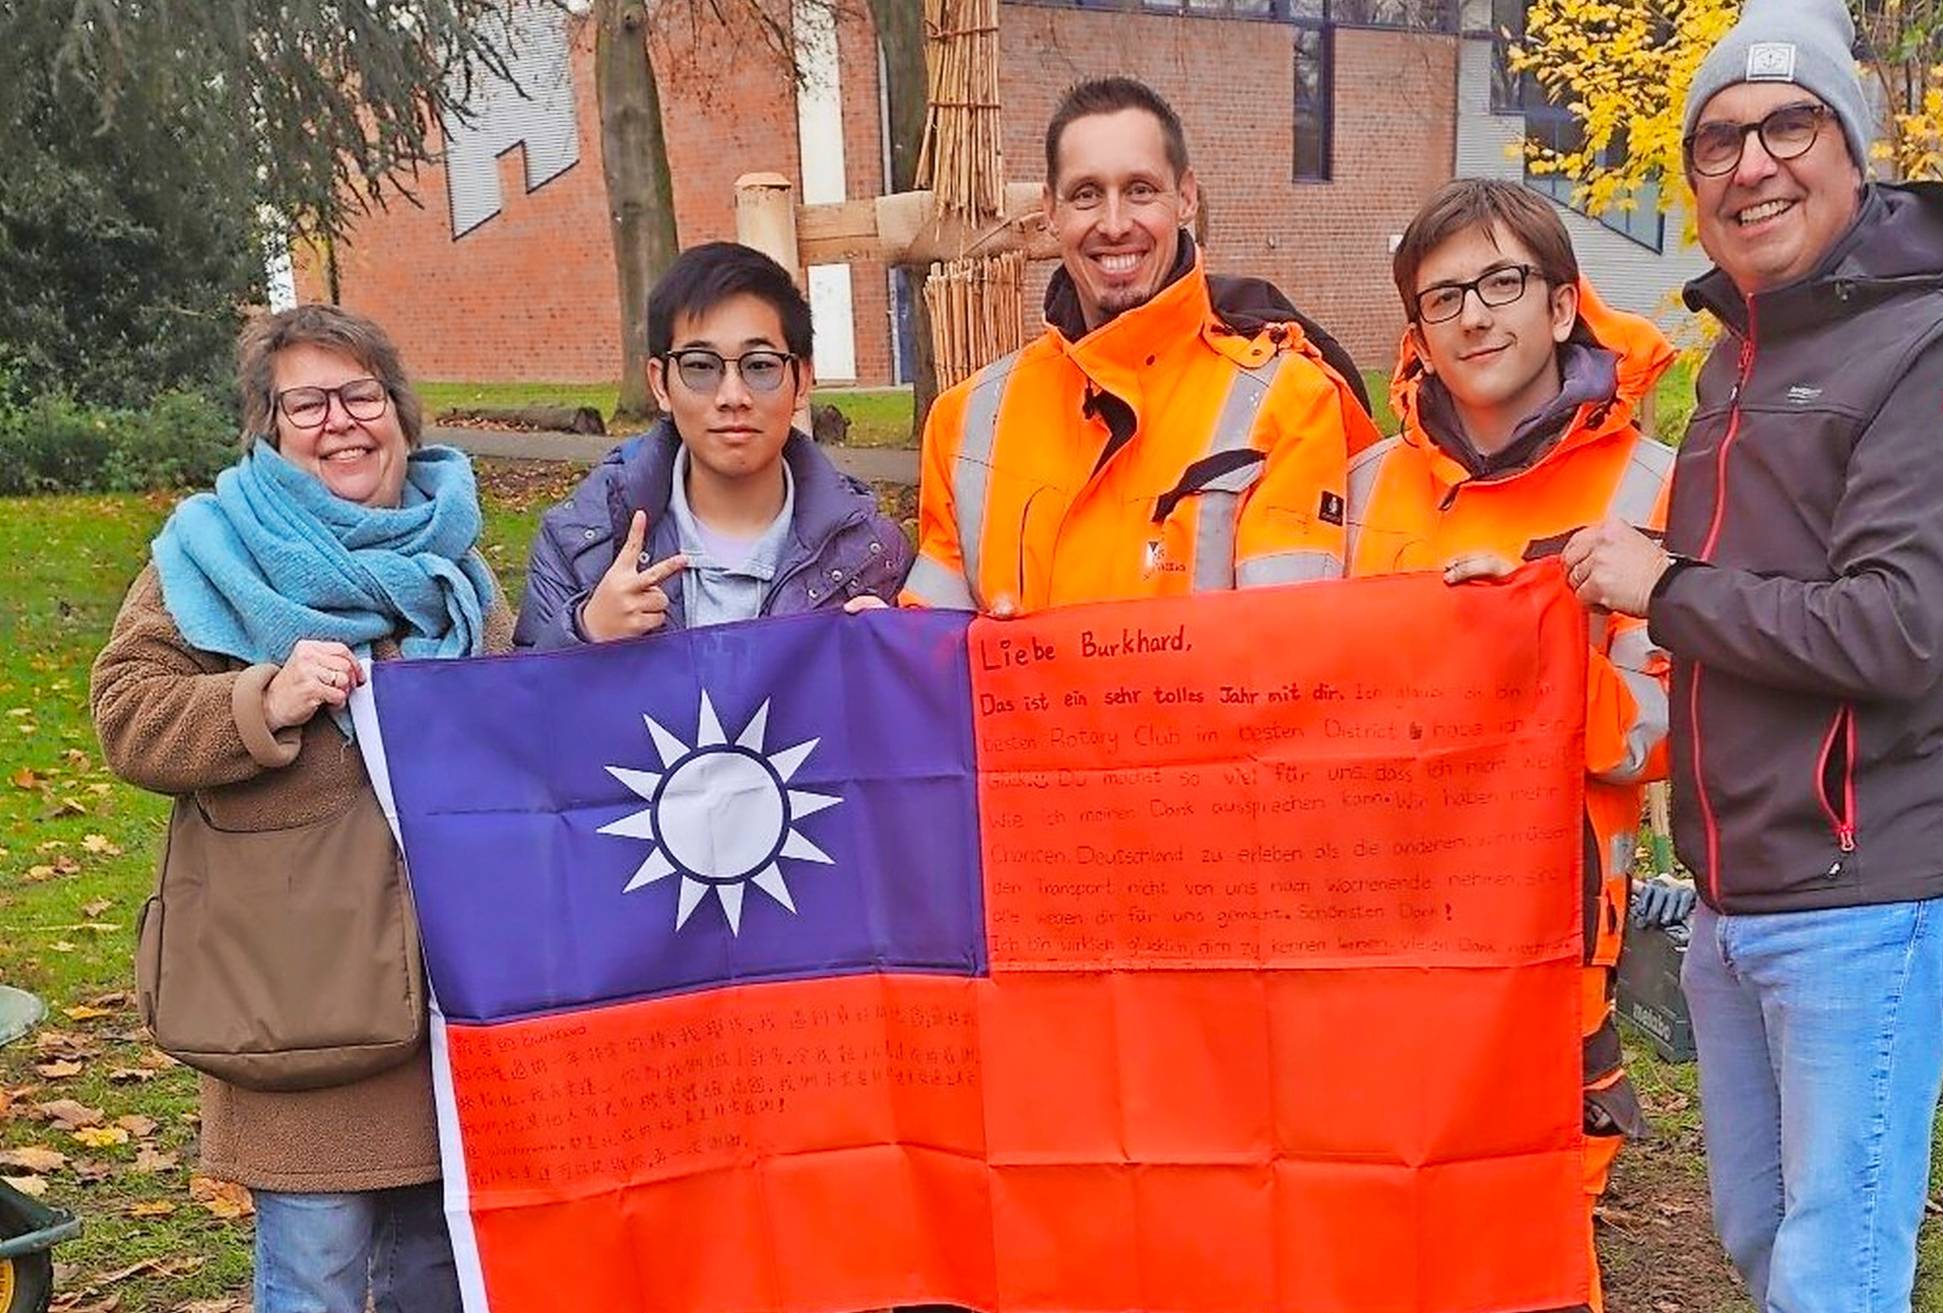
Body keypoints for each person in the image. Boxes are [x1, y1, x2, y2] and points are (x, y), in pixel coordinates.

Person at [1560, 1, 1943, 1307]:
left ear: (1855, 152)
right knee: (1764, 1237)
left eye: (1790, 125)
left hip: (1871, 888)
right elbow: (1747, 574)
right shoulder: (1743, 361)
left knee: (1833, 1265)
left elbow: (1892, 625)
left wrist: (1664, 587)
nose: (1752, 163)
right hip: (1739, 886)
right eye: (1718, 141)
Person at [91, 304, 509, 1312]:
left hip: (450, 1001)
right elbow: (127, 712)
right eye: (306, 403)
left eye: (361, 394)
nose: (341, 421)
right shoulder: (211, 551)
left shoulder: (452, 560)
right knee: (314, 1277)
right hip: (294, 999)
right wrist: (259, 699)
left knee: (439, 1278)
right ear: (270, 430)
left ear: (401, 413)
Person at [1348, 178, 1676, 1308]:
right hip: (1370, 933)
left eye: (1502, 283)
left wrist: (1522, 660)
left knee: (1531, 1241)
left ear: (1564, 304)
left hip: (1554, 938)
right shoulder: (1361, 491)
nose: (1477, 316)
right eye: (1445, 297)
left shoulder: (1649, 484)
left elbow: (1663, 733)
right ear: (1419, 334)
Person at [902, 76, 1377, 613]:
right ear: (1050, 213)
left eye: (1140, 190)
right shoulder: (965, 422)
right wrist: (880, 642)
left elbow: (1290, 649)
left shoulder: (1290, 402)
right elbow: (933, 650)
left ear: (1186, 198)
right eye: (1086, 195)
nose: (1114, 223)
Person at [516, 242, 908, 647]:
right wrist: (584, 631)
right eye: (701, 367)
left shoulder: (868, 552)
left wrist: (891, 660)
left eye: (760, 366)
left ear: (803, 379)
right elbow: (515, 700)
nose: (732, 396)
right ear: (660, 383)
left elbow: (919, 700)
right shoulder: (585, 539)